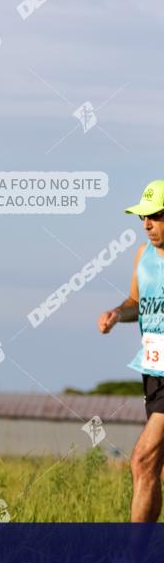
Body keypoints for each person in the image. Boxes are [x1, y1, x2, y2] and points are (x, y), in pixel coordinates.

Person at [99, 180, 164, 522]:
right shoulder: (143, 255)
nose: (147, 225)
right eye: (143, 218)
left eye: (155, 217)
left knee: (141, 460)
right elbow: (136, 303)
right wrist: (116, 314)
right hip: (152, 371)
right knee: (156, 469)